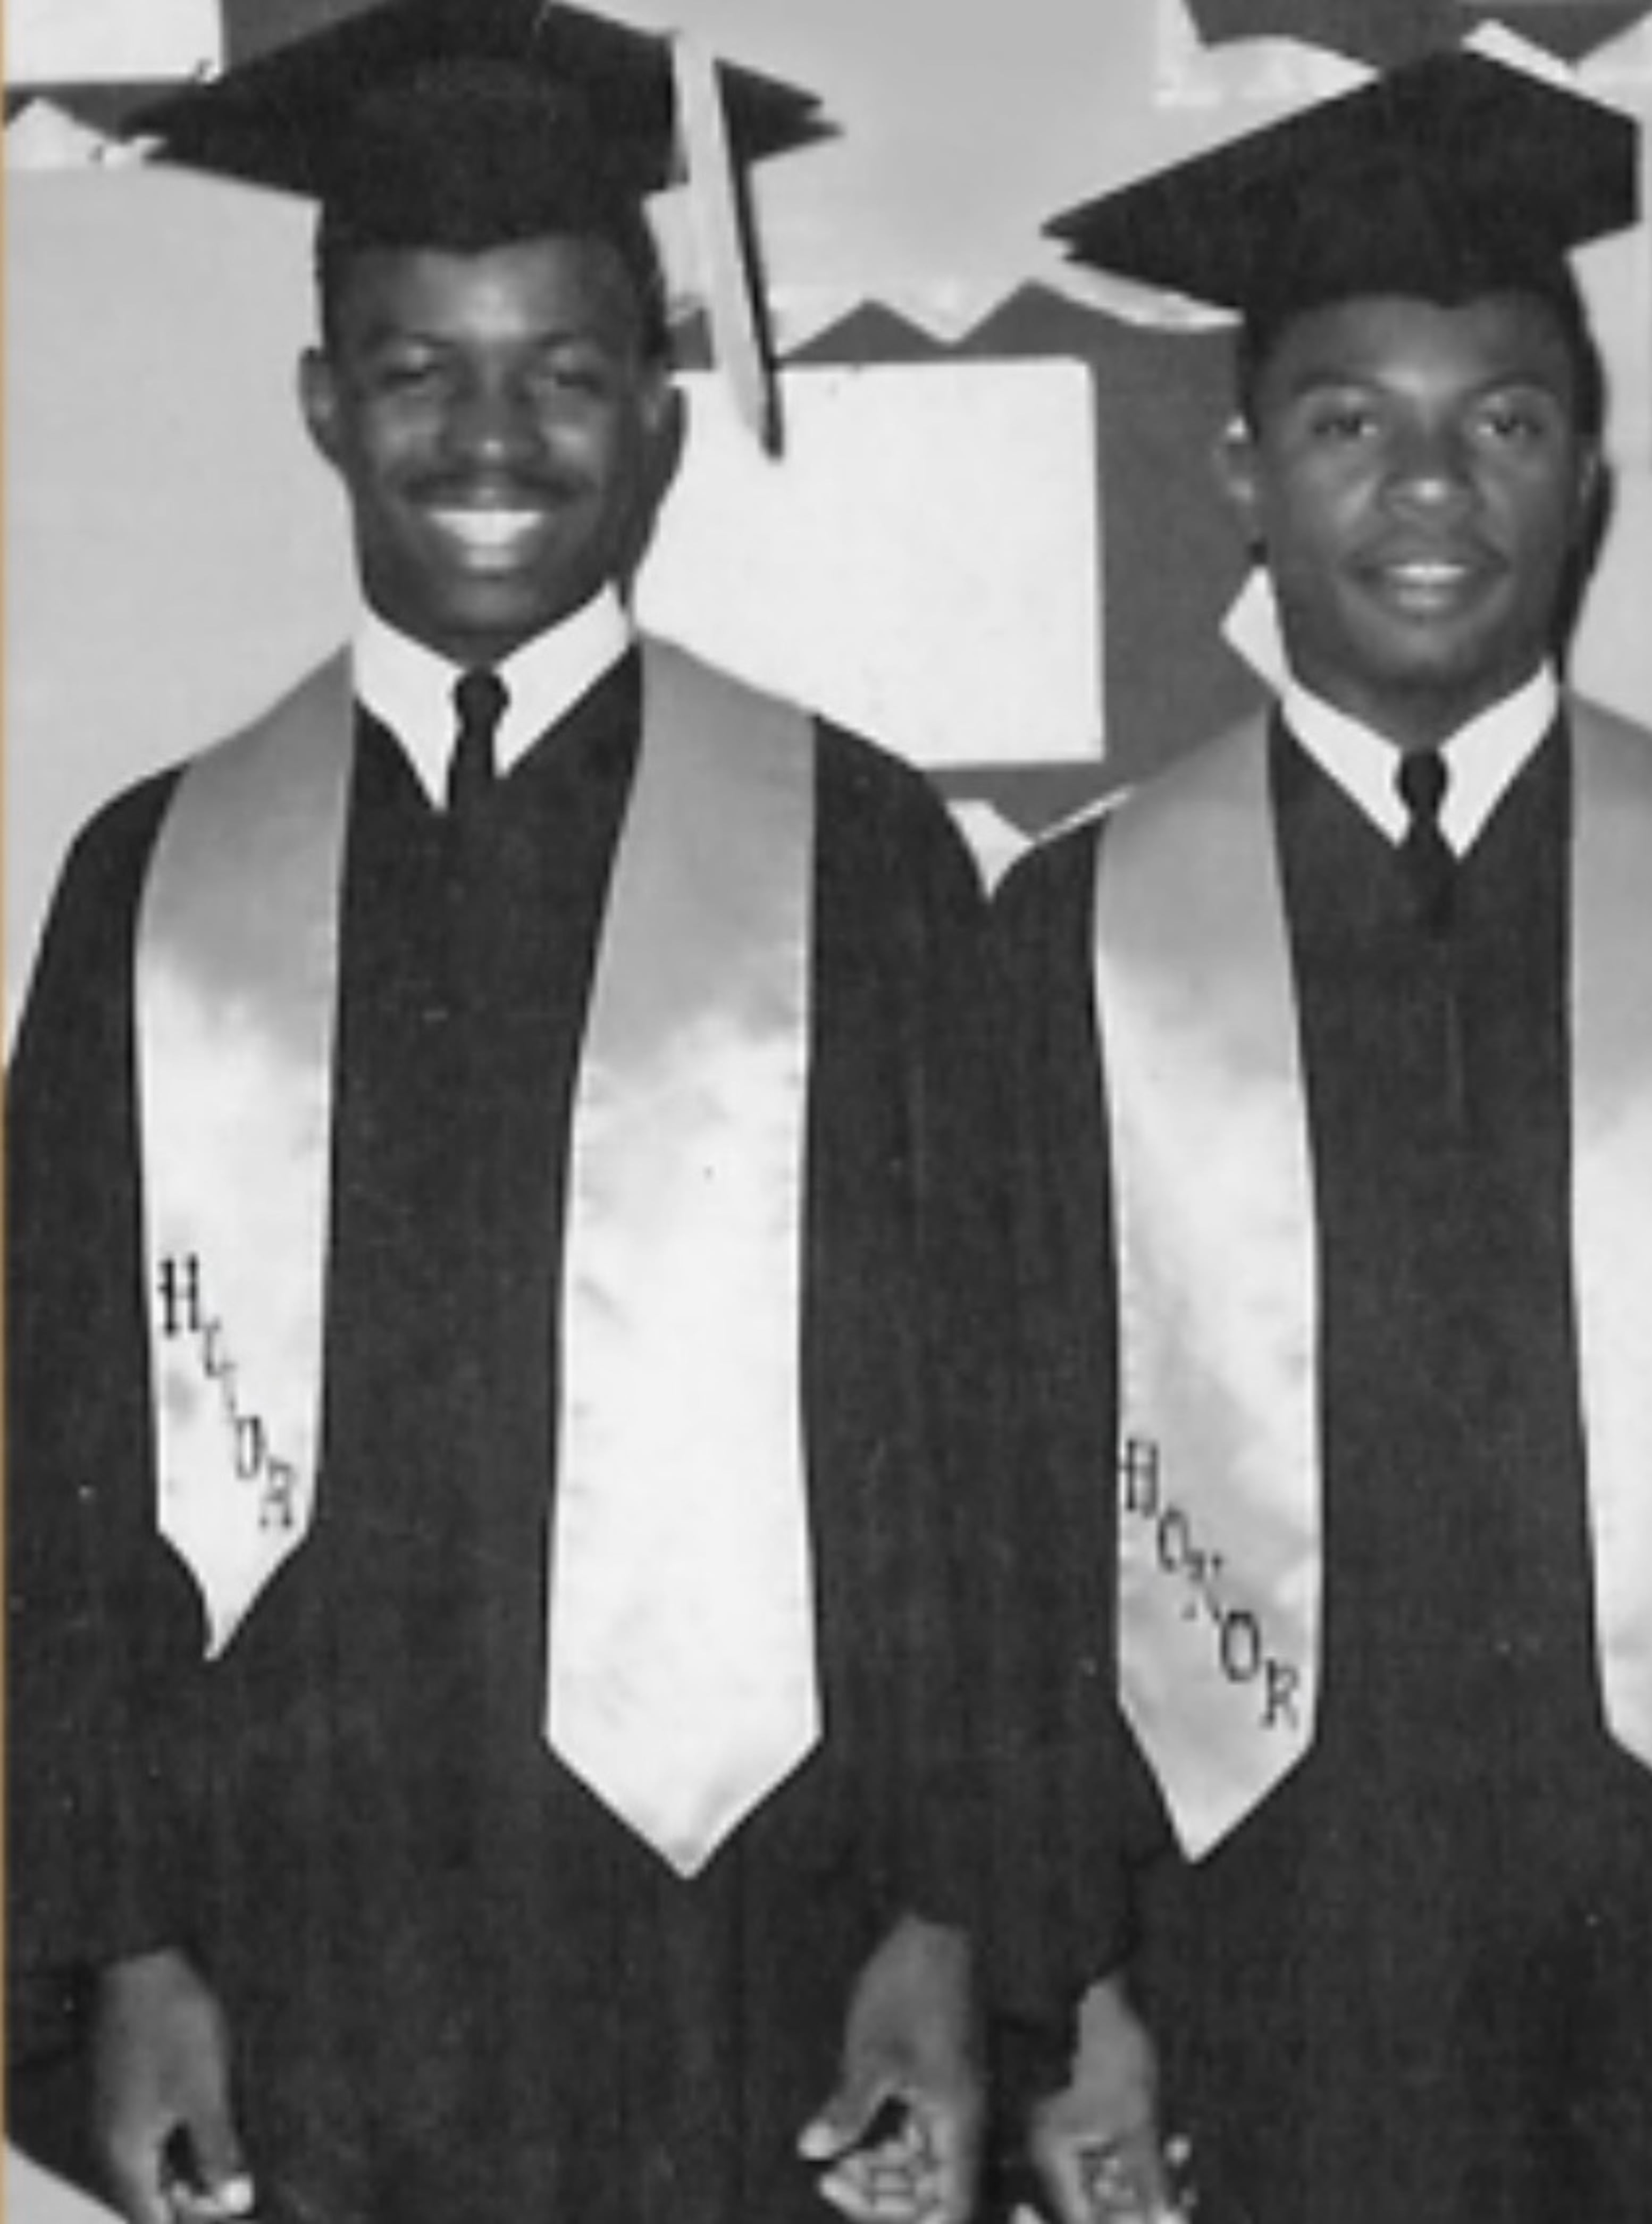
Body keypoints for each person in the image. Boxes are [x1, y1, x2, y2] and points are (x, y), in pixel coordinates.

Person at [982, 48, 1652, 2224]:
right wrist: (1063, 1992)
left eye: (1505, 424)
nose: (1430, 490)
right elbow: (987, 1522)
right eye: (1347, 425)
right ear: (1243, 473)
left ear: (1584, 479)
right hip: (1248, 1967)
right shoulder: (1071, 939)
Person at [5, 7, 991, 2222]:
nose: (490, 433)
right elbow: (51, 1457)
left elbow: (966, 1440)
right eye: (418, 369)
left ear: (655, 409)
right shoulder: (150, 880)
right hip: (294, 1954)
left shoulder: (858, 851)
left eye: (561, 369)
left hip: (753, 1940)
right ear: (320, 401)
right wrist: (121, 1948)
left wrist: (947, 1919)